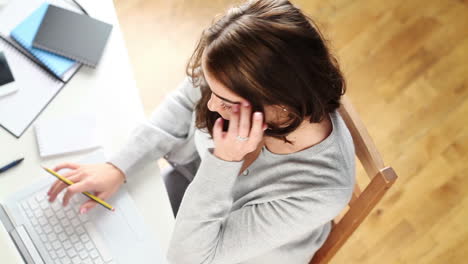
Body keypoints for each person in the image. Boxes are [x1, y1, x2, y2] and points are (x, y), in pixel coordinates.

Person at [47, 0, 355, 263]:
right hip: (193, 192)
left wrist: (225, 161)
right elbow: (184, 101)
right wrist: (118, 165)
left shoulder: (320, 191)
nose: (211, 106)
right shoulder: (239, 78)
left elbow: (189, 257)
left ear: (280, 103)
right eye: (212, 91)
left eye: (226, 102)